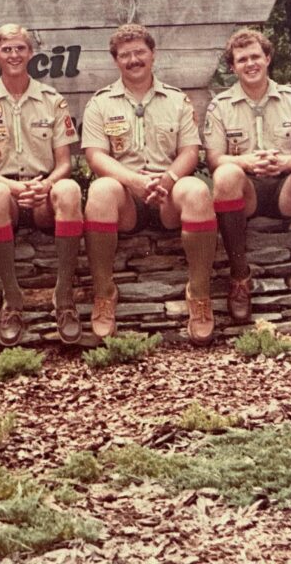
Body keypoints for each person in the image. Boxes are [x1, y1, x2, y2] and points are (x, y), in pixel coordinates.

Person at [81, 24, 218, 345]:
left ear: (152, 55)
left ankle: (199, 294)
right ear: (116, 61)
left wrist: (168, 180)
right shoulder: (101, 103)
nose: (133, 60)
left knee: (198, 191)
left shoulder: (176, 100)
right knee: (100, 190)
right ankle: (104, 294)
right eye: (125, 55)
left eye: (139, 52)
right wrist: (134, 181)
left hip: (169, 193)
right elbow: (96, 156)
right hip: (126, 196)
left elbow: (189, 151)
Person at [204, 28, 291, 321]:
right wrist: (246, 162)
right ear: (233, 67)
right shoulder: (220, 106)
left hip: (285, 189)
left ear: (267, 58)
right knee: (226, 175)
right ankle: (240, 276)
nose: (250, 64)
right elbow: (215, 159)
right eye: (242, 59)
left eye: (255, 56)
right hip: (247, 193)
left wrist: (284, 162)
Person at [0, 24, 84, 345]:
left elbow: (65, 163)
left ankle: (65, 296)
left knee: (69, 190)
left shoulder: (51, 100)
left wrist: (46, 185)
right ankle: (13, 300)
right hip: (6, 191)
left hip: (45, 191)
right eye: (6, 49)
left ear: (30, 53)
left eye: (20, 48)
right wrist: (13, 188)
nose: (14, 55)